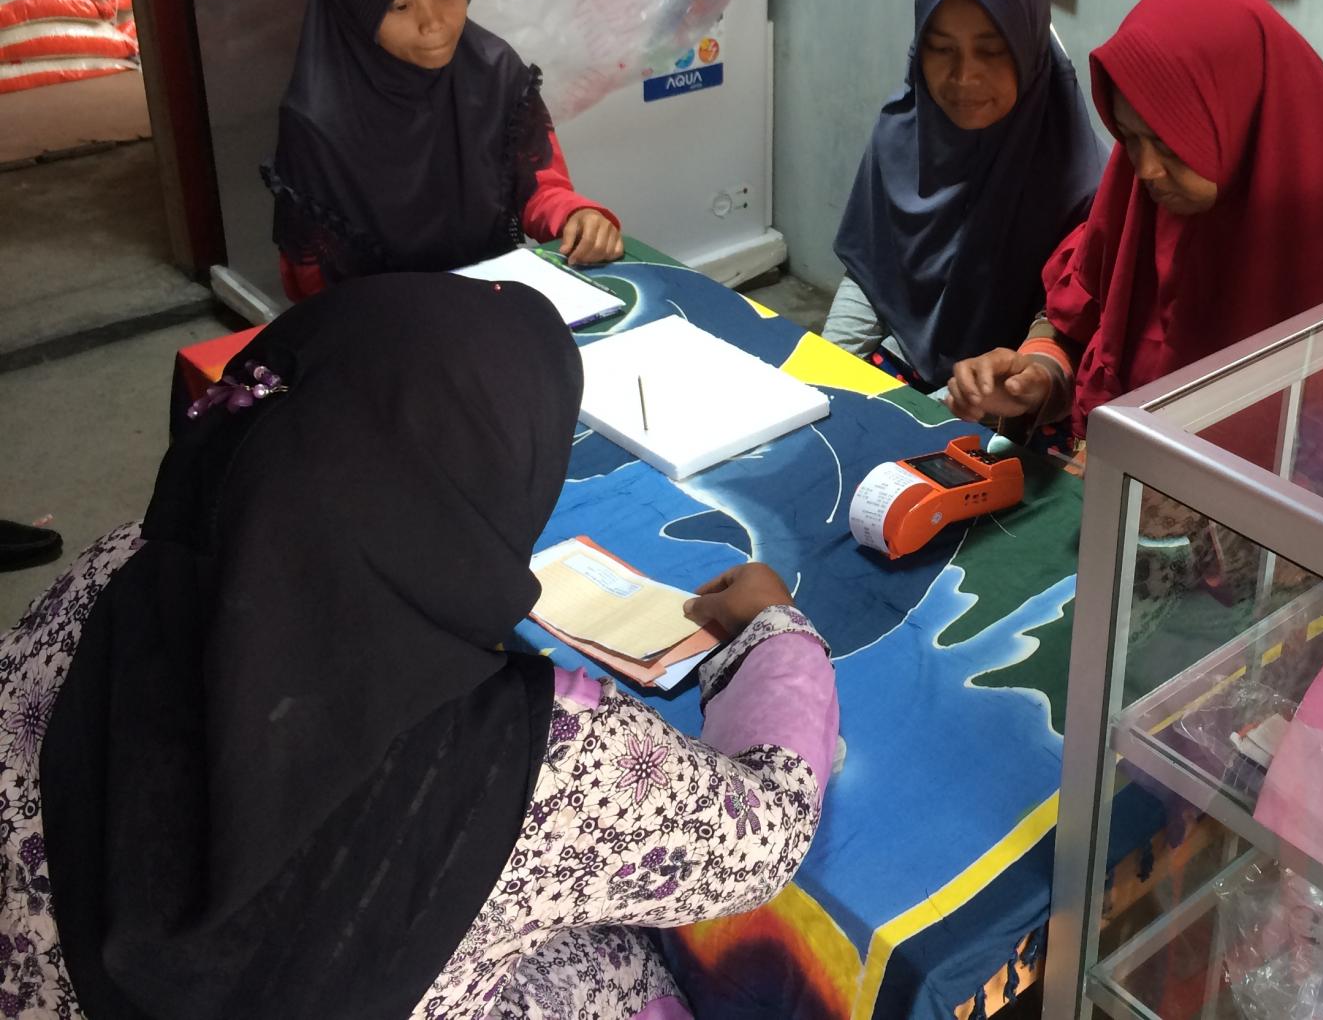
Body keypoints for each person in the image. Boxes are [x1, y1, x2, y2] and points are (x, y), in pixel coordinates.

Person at [3, 273, 836, 1020]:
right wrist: (773, 636)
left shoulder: (116, 570)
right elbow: (761, 839)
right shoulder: (543, 760)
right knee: (616, 956)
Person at [946, 0, 1323, 446]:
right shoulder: (1138, 197)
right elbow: (1077, 319)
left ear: (1239, 120)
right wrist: (1036, 377)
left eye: (1169, 144)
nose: (1146, 170)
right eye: (1130, 139)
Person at [263, 0, 623, 301]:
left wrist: (577, 216)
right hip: (378, 320)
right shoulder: (316, 119)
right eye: (400, 6)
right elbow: (310, 280)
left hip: (489, 293)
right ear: (354, 12)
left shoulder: (495, 71)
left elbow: (538, 185)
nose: (433, 23)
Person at [825, 0, 1104, 392]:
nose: (964, 76)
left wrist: (960, 406)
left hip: (1011, 400)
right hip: (903, 352)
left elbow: (1061, 340)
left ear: (1029, 46)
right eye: (940, 48)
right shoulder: (902, 131)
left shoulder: (1083, 187)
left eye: (992, 51)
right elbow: (872, 272)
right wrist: (823, 371)